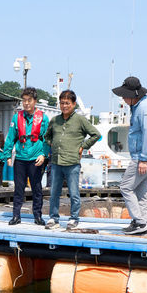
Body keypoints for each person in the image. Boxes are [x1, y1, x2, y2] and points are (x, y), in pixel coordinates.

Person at [43, 90, 101, 230]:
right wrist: (52, 143)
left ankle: (74, 218)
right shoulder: (55, 120)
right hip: (56, 162)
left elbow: (96, 134)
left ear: (74, 104)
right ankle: (53, 218)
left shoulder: (80, 120)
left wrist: (83, 146)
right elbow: (47, 136)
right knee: (54, 192)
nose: (64, 106)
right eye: (62, 103)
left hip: (72, 163)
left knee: (74, 193)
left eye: (67, 103)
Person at [111, 77, 147, 235]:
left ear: (134, 95)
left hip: (143, 157)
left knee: (125, 187)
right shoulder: (139, 106)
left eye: (125, 95)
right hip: (145, 157)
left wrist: (143, 159)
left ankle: (139, 222)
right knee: (140, 192)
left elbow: (146, 133)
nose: (123, 99)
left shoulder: (144, 108)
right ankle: (143, 222)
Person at [0, 87, 50, 225]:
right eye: (24, 100)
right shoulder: (17, 117)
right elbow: (10, 137)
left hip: (36, 159)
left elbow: (47, 139)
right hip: (21, 159)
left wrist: (44, 155)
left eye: (29, 100)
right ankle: (16, 216)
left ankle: (38, 216)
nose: (26, 103)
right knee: (18, 189)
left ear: (35, 101)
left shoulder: (43, 118)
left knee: (37, 188)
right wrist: (7, 155)